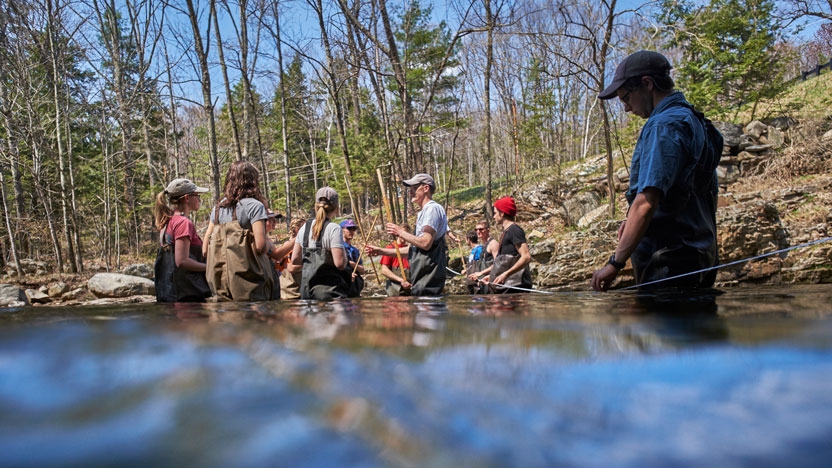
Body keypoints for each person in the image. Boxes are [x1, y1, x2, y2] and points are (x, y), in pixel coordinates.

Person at [591, 50, 722, 292]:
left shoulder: (664, 126)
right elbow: (707, 195)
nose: (627, 108)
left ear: (647, 84)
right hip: (702, 257)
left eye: (626, 99)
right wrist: (632, 222)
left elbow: (646, 202)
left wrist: (614, 264)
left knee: (667, 328)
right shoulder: (696, 121)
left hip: (668, 261)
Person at [205, 161, 278, 301]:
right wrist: (270, 246)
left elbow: (205, 250)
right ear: (253, 181)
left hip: (221, 285)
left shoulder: (217, 209)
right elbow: (261, 246)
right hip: (249, 286)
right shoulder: (255, 207)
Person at [366, 173, 449, 296]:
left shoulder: (432, 209)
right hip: (422, 277)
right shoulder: (424, 212)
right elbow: (414, 251)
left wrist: (399, 232)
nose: (410, 192)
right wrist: (381, 251)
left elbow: (426, 243)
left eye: (414, 188)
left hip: (429, 276)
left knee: (430, 309)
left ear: (426, 188)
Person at [153, 178, 212, 302]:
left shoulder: (168, 220)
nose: (199, 199)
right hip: (186, 295)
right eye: (197, 195)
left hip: (170, 294)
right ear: (187, 198)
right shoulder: (183, 223)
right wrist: (210, 267)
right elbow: (182, 261)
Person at [291, 186, 352, 300]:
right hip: (329, 292)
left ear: (315, 206)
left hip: (306, 291)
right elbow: (339, 264)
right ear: (337, 209)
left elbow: (295, 259)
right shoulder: (333, 228)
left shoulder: (305, 227)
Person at [468, 197, 532, 293]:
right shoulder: (506, 232)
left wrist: (505, 274)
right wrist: (492, 276)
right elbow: (505, 263)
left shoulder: (514, 230)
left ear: (502, 213)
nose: (493, 217)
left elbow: (526, 257)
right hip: (506, 288)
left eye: (495, 213)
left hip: (515, 288)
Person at [465, 221, 499, 294]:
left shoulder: (493, 244)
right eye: (476, 229)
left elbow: (498, 264)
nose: (478, 231)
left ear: (488, 230)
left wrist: (481, 273)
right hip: (483, 284)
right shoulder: (483, 246)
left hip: (492, 284)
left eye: (481, 229)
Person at [379, 225, 411, 297]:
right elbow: (384, 270)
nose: (404, 237)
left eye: (407, 235)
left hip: (409, 290)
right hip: (394, 290)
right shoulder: (390, 249)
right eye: (403, 234)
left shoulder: (410, 250)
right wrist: (401, 280)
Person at [279, 218, 305, 299]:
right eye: (305, 228)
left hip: (286, 292)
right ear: (297, 230)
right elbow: (291, 268)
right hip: (292, 293)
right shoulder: (292, 247)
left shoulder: (285, 245)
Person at [340, 219, 365, 297]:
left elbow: (362, 270)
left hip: (355, 285)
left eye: (353, 229)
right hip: (342, 284)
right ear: (342, 230)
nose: (351, 231)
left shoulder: (355, 250)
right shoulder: (338, 248)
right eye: (349, 228)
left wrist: (353, 264)